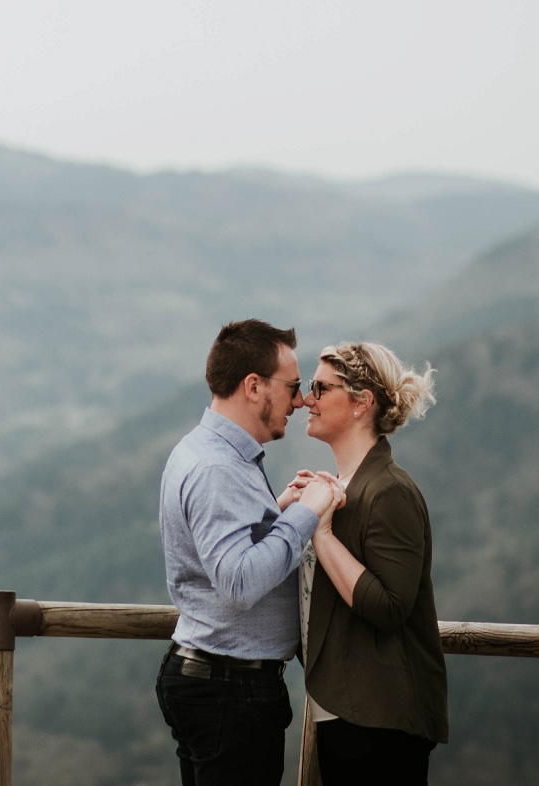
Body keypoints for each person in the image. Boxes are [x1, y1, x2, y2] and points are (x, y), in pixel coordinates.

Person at [156, 319, 343, 786]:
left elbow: (222, 547)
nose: (300, 401)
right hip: (229, 691)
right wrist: (309, 515)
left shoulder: (205, 450)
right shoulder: (219, 467)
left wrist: (275, 512)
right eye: (294, 387)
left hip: (216, 685)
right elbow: (239, 582)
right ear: (253, 386)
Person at [300, 342, 447, 785]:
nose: (308, 399)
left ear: (362, 402)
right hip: (347, 710)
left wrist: (320, 534)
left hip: (379, 721)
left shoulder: (390, 491)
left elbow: (389, 607)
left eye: (320, 387)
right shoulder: (341, 487)